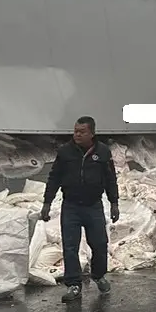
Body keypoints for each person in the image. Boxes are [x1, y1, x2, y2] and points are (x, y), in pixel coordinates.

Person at [40, 116, 119, 302]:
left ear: (92, 133)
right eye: (75, 131)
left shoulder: (103, 152)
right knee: (70, 247)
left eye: (82, 132)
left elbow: (110, 179)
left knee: (99, 244)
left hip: (93, 206)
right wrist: (47, 202)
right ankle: (74, 285)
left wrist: (114, 202)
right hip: (71, 207)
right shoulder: (65, 152)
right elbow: (54, 178)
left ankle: (99, 276)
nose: (77, 134)